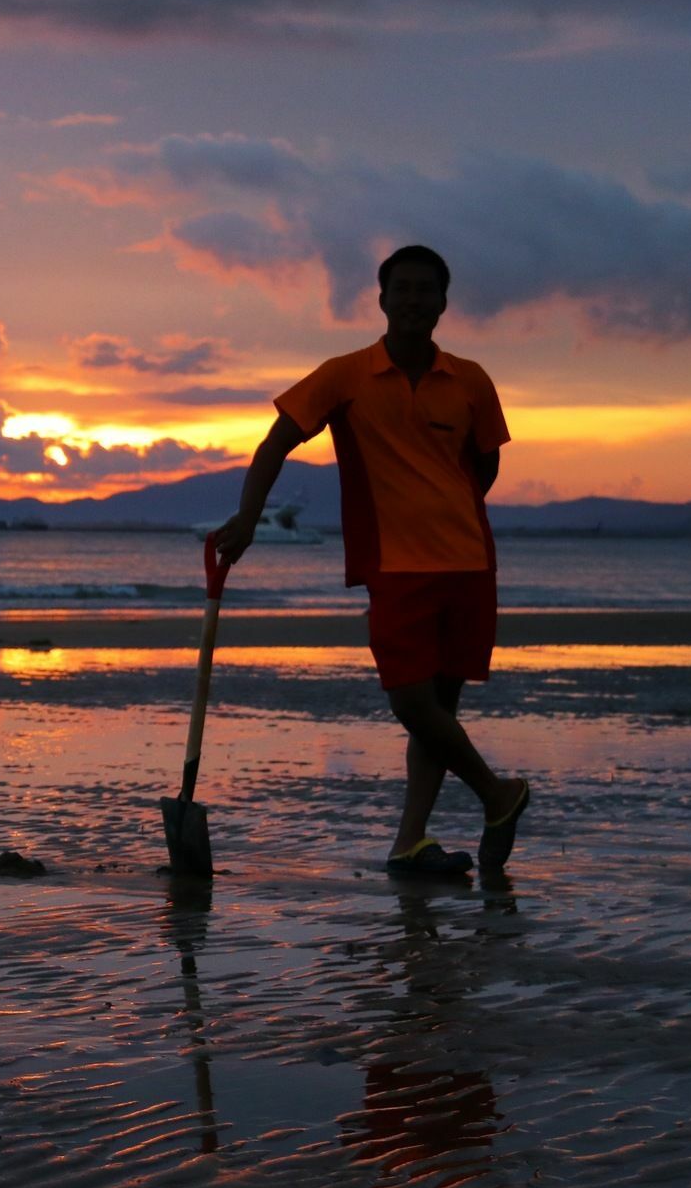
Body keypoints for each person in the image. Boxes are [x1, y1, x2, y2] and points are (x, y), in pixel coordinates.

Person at [215, 244, 530, 876]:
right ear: (382, 299)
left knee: (437, 713)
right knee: (411, 702)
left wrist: (441, 507)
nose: (414, 300)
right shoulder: (345, 375)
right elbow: (275, 443)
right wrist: (247, 519)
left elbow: (486, 464)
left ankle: (409, 842)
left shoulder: (471, 380)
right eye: (402, 289)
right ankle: (499, 794)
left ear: (443, 302)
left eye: (426, 290)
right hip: (394, 565)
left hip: (468, 562)